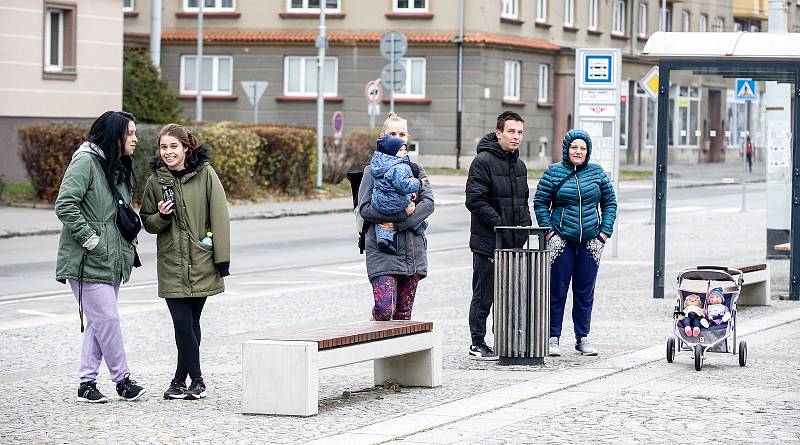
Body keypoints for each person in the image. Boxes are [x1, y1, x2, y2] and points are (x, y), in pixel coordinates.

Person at [55, 110, 146, 403]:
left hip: (111, 258)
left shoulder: (114, 165)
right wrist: (90, 239)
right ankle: (122, 380)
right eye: (130, 133)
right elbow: (65, 204)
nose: (135, 138)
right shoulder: (85, 162)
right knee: (107, 319)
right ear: (115, 135)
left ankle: (86, 384)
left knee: (98, 323)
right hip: (87, 260)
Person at [140, 124, 231, 400]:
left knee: (191, 323)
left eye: (173, 146)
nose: (168, 152)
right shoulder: (155, 181)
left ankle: (181, 380)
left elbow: (219, 216)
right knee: (182, 323)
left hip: (201, 259)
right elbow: (147, 222)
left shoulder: (204, 174)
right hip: (171, 262)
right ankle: (197, 379)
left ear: (186, 147)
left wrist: (221, 258)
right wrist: (162, 217)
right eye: (163, 147)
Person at [533, 129, 617, 357]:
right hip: (561, 242)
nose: (578, 151)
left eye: (583, 148)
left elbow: (610, 203)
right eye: (574, 147)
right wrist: (550, 233)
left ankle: (583, 338)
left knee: (584, 292)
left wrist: (603, 234)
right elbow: (540, 203)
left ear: (588, 151)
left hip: (590, 242)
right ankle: (553, 337)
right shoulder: (553, 173)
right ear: (566, 149)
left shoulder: (597, 173)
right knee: (556, 291)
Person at [465, 111, 531, 360]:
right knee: (485, 294)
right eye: (511, 131)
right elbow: (475, 200)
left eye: (520, 132)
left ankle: (506, 339)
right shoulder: (482, 161)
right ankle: (477, 342)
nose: (516, 137)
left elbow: (522, 201)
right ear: (499, 133)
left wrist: (524, 226)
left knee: (511, 294)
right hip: (488, 241)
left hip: (513, 242)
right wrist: (500, 224)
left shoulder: (519, 165)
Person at [357, 113, 434, 321]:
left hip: (412, 251)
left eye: (402, 134)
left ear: (407, 138)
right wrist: (402, 213)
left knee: (403, 316)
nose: (398, 138)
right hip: (382, 250)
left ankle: (399, 356)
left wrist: (399, 224)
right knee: (384, 310)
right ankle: (376, 343)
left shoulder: (416, 170)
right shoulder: (371, 172)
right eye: (392, 133)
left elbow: (428, 205)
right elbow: (365, 208)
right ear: (383, 136)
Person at [369, 135, 430, 254]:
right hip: (395, 202)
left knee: (380, 221)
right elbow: (404, 184)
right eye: (401, 150)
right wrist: (418, 183)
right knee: (410, 205)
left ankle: (383, 238)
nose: (405, 151)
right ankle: (418, 226)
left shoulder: (378, 165)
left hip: (379, 201)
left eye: (405, 149)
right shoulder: (399, 167)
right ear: (391, 152)